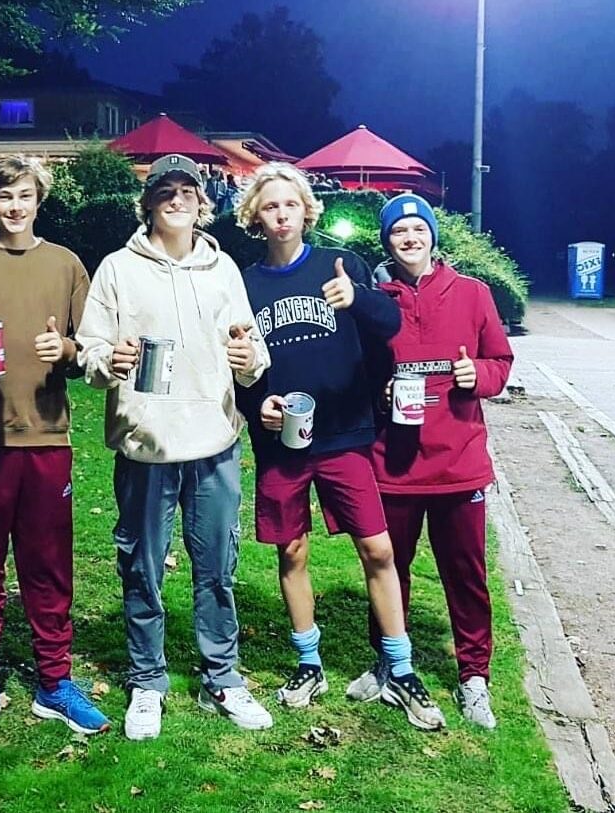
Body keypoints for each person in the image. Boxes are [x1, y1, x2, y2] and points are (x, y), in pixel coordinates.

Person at [232, 163, 445, 731]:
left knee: (378, 549)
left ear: (307, 210)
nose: (281, 215)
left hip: (345, 434)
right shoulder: (244, 284)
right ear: (255, 216)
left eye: (290, 204)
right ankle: (309, 662)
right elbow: (239, 366)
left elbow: (390, 322)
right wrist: (256, 405)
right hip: (283, 443)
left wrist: (357, 298)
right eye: (270, 206)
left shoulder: (340, 264)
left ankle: (400, 668)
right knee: (291, 552)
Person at [76, 153, 273, 741]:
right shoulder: (117, 268)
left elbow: (252, 350)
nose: (177, 199)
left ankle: (222, 676)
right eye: (165, 190)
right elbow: (89, 349)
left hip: (214, 441)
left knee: (217, 569)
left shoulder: (223, 269)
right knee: (143, 569)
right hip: (147, 445)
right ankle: (147, 681)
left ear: (201, 202)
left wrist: (249, 359)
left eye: (187, 190)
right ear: (149, 202)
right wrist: (108, 360)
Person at [0, 155, 109, 741]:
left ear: (39, 200)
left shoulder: (65, 264)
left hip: (47, 437)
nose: (15, 206)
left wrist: (69, 350)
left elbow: (90, 350)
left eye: (25, 195)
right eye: (5, 196)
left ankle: (55, 681)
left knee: (48, 563)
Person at [348, 193, 514, 729]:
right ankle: (388, 661)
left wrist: (477, 375)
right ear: (387, 242)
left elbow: (500, 361)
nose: (410, 238)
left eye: (419, 229)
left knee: (466, 576)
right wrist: (378, 394)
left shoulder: (472, 293)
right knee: (388, 568)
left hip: (459, 463)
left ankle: (474, 677)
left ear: (433, 236)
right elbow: (355, 372)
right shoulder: (375, 303)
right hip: (392, 464)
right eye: (399, 232)